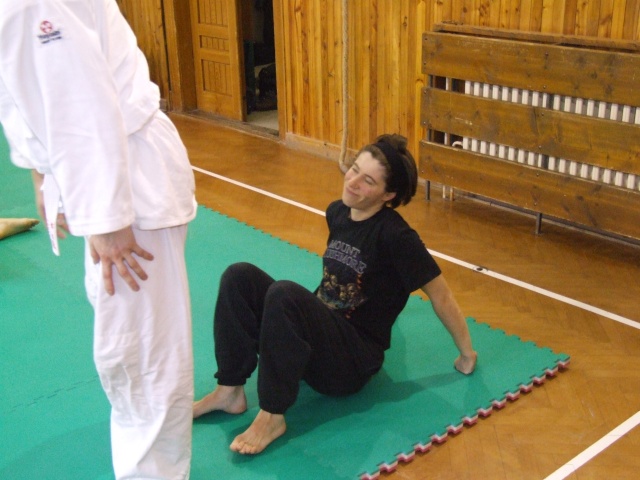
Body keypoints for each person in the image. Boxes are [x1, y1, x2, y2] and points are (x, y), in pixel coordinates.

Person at [0, 1, 197, 478]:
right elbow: (26, 91)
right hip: (101, 172)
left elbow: (79, 101)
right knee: (130, 347)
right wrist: (41, 173)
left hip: (124, 182)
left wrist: (108, 221)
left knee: (142, 354)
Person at [193, 133, 478, 455]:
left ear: (388, 195)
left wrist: (466, 353)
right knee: (239, 276)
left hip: (351, 362)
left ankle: (272, 416)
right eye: (354, 168)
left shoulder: (398, 237)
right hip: (320, 339)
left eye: (368, 181)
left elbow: (441, 296)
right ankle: (229, 390)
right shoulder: (338, 212)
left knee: (284, 294)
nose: (352, 182)